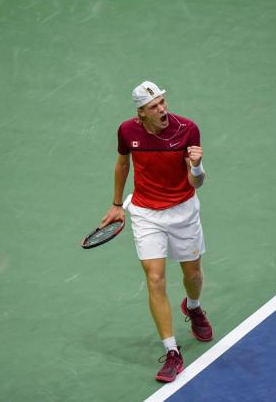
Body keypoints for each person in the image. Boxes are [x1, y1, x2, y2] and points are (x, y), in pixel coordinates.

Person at [101, 80, 213, 383]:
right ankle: (172, 351)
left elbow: (195, 183)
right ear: (141, 113)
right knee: (154, 277)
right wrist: (116, 204)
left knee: (193, 275)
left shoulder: (188, 129)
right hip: (146, 213)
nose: (163, 109)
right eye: (155, 106)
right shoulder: (127, 131)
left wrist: (198, 167)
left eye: (163, 101)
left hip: (183, 210)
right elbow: (122, 163)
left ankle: (193, 307)